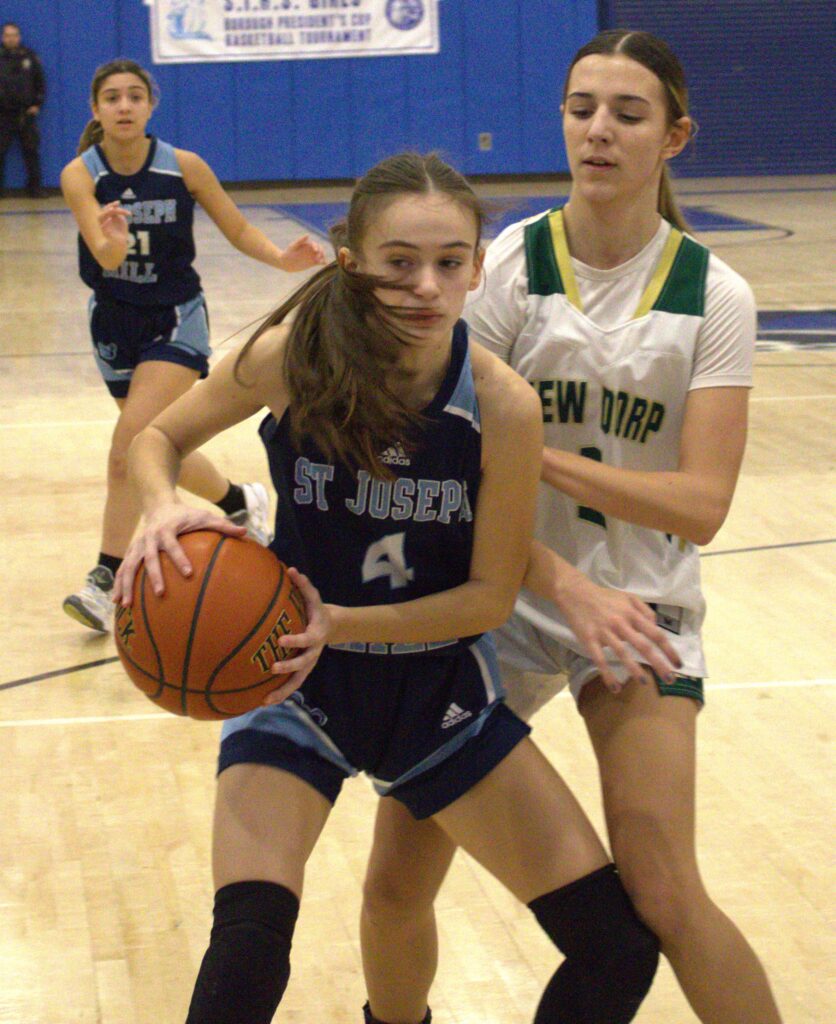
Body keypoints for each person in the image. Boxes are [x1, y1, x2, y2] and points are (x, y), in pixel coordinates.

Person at [113, 152, 663, 1024]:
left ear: (478, 270)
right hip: (292, 681)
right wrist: (153, 509)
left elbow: (489, 598)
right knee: (250, 946)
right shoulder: (291, 356)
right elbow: (155, 438)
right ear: (351, 260)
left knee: (618, 951)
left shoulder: (502, 406)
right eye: (399, 262)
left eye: (450, 264)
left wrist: (337, 618)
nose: (426, 286)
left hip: (433, 690)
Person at [360, 31, 784, 1024]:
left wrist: (530, 453)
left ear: (673, 136)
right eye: (579, 107)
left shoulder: (714, 296)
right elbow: (451, 468)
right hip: (503, 591)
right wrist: (543, 553)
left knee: (663, 889)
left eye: (625, 114)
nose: (596, 130)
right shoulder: (510, 260)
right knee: (394, 878)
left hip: (633, 612)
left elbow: (700, 505)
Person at [60, 58, 325, 633]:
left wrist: (283, 259)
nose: (124, 106)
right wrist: (113, 241)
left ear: (151, 106)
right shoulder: (80, 175)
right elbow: (105, 259)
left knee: (128, 446)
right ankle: (236, 499)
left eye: (135, 96)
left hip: (175, 317)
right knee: (157, 445)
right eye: (112, 98)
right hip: (112, 324)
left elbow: (238, 229)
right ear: (96, 110)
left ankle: (103, 580)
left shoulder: (184, 167)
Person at [0, 21, 45, 197]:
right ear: (3, 37)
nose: (11, 39)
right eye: (7, 35)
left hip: (26, 113)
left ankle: (35, 189)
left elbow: (40, 81)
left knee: (31, 151)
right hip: (3, 114)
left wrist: (37, 104)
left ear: (19, 37)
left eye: (14, 35)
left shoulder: (29, 56)